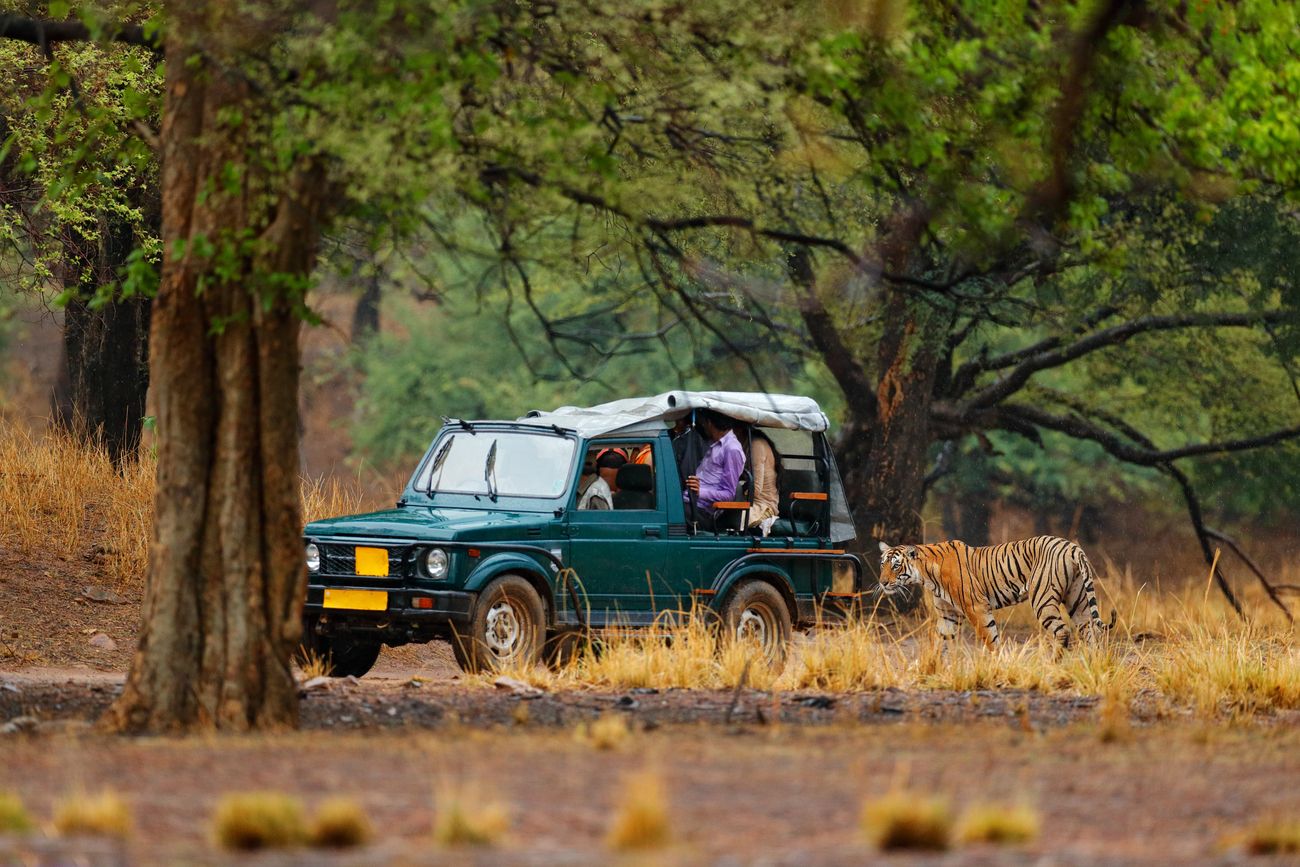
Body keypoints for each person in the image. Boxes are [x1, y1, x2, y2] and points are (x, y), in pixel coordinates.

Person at [683, 410, 746, 530]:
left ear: (709, 423)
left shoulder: (732, 449)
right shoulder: (714, 444)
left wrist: (699, 492)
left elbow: (728, 495)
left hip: (701, 511)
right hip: (688, 502)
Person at [747, 427, 780, 534]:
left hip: (762, 506)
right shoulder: (746, 445)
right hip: (751, 502)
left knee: (729, 519)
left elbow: (755, 489)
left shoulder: (756, 445)